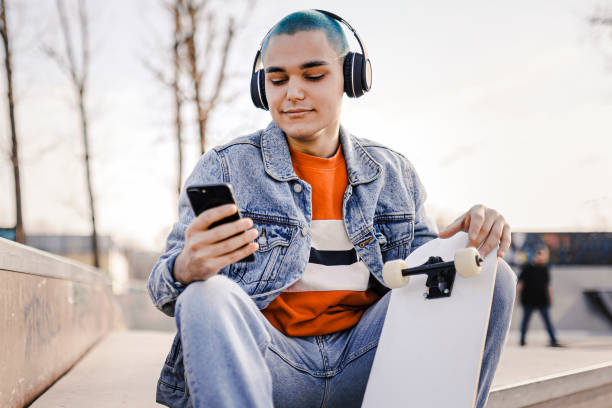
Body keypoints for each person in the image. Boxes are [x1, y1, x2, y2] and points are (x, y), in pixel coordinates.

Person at [148, 10, 517, 408]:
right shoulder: (226, 167)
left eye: (313, 75)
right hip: (274, 367)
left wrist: (470, 237)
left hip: (369, 362)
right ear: (262, 88)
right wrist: (185, 267)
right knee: (204, 296)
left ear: (351, 79)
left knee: (492, 278)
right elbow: (161, 288)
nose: (292, 92)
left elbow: (428, 277)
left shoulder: (393, 174)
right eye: (277, 79)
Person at [517, 245, 562, 347]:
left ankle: (553, 340)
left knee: (547, 322)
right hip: (528, 299)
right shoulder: (527, 268)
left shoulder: (545, 269)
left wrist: (550, 298)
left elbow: (548, 285)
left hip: (542, 300)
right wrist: (518, 297)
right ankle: (522, 341)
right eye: (541, 254)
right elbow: (520, 284)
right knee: (525, 321)